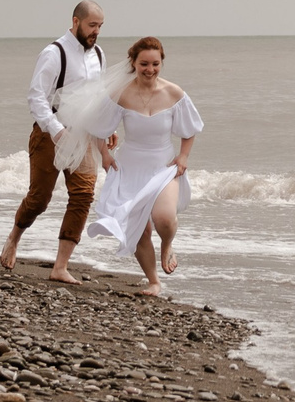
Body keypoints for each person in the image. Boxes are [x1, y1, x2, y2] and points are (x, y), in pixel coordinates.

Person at [78, 35, 204, 295]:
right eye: (144, 64)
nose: (150, 70)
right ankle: (154, 281)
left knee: (164, 219)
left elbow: (190, 130)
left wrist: (183, 157)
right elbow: (97, 127)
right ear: (133, 63)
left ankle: (167, 245)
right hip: (130, 167)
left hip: (164, 166)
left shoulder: (174, 93)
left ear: (162, 63)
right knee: (139, 228)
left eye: (155, 64)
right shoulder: (121, 94)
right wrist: (105, 154)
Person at [0, 0, 105, 282]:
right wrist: (57, 131)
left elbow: (96, 98)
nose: (96, 31)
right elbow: (37, 97)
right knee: (39, 199)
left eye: (100, 26)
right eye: (92, 25)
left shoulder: (99, 55)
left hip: (82, 135)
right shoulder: (54, 53)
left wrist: (105, 128)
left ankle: (60, 267)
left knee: (83, 195)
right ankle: (14, 237)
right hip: (50, 134)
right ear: (75, 21)